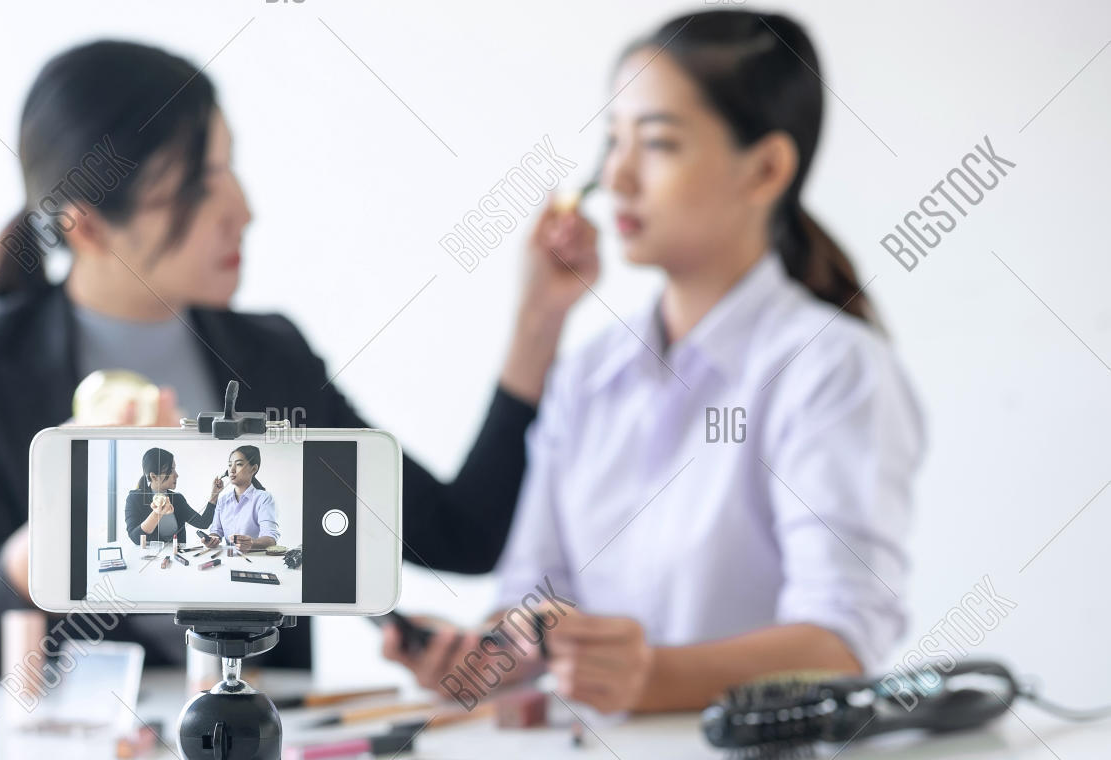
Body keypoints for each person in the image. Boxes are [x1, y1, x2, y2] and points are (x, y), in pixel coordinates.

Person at [0, 40, 549, 676]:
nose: (243, 211)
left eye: (228, 168)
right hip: (78, 740)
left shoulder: (270, 355)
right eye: (196, 186)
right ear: (88, 225)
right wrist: (63, 520)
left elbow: (464, 535)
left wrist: (539, 321)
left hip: (260, 733)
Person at [385, 10, 926, 714]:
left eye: (659, 143)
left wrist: (654, 677)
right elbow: (537, 601)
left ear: (766, 169)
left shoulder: (832, 369)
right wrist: (484, 657)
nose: (617, 176)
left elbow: (841, 642)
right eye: (613, 142)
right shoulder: (586, 373)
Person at [123, 447, 220, 544]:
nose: (176, 475)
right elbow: (136, 538)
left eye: (174, 469)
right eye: (171, 470)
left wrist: (214, 494)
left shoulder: (177, 499)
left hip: (177, 553)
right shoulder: (135, 498)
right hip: (150, 554)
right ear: (154, 476)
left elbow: (203, 523)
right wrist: (157, 513)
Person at [206, 445, 278, 552]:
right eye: (230, 465)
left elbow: (271, 539)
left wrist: (251, 543)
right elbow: (216, 532)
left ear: (253, 469)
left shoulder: (264, 498)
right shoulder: (223, 500)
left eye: (239, 464)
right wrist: (211, 539)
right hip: (229, 558)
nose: (232, 470)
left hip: (255, 558)